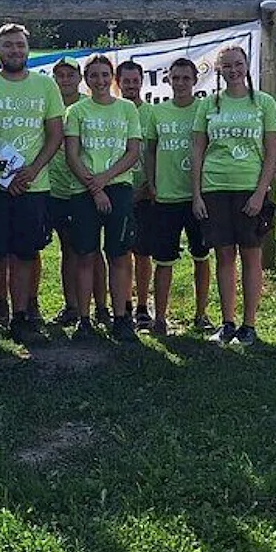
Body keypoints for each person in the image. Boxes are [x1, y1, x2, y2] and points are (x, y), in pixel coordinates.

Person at [0, 23, 65, 344]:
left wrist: (33, 170)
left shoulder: (45, 86)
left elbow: (55, 134)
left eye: (20, 45)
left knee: (24, 254)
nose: (15, 51)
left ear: (28, 49)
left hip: (33, 186)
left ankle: (21, 318)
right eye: (8, 45)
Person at [191, 45, 276, 347]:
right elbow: (198, 150)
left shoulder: (264, 103)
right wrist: (197, 195)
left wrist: (260, 193)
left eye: (238, 64)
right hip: (215, 188)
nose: (233, 70)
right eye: (226, 66)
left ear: (246, 66)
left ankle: (249, 324)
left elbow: (272, 153)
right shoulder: (209, 104)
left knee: (251, 257)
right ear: (218, 70)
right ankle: (228, 322)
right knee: (224, 256)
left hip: (249, 188)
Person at [64, 55, 142, 340]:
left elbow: (132, 152)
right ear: (86, 78)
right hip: (83, 191)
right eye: (94, 75)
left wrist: (105, 181)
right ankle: (84, 319)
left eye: (105, 75)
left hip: (118, 189)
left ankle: (121, 318)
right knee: (85, 255)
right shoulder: (76, 111)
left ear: (113, 78)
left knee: (119, 255)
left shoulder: (127, 109)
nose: (100, 81)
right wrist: (95, 189)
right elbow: (72, 154)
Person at [144, 58, 211, 334]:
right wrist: (151, 182)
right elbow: (149, 150)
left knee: (202, 256)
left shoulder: (204, 109)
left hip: (199, 197)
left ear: (195, 80)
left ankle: (201, 314)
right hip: (166, 197)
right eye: (176, 78)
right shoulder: (157, 113)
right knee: (163, 260)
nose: (181, 83)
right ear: (168, 81)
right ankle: (160, 318)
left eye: (186, 78)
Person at [46, 57, 111, 328]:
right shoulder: (48, 104)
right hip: (58, 187)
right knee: (69, 249)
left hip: (87, 186)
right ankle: (72, 305)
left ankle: (102, 306)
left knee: (94, 250)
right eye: (60, 75)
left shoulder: (89, 104)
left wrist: (94, 183)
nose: (65, 79)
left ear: (79, 78)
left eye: (70, 74)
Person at [116, 60, 155, 331]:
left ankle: (143, 305)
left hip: (145, 193)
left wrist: (149, 186)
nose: (131, 85)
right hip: (119, 192)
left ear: (142, 81)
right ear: (118, 82)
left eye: (135, 81)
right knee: (121, 252)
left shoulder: (152, 113)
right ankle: (124, 303)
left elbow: (157, 153)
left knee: (143, 252)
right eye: (126, 81)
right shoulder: (114, 111)